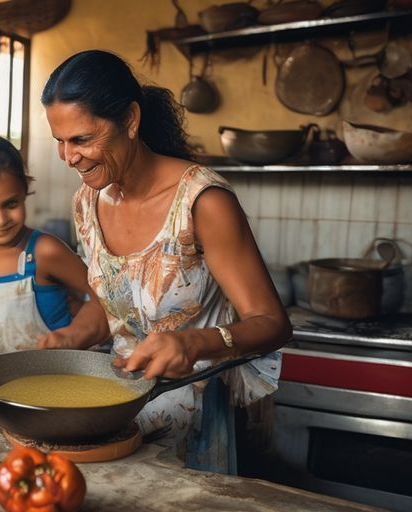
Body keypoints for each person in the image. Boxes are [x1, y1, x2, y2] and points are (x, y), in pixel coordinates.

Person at [41, 50, 291, 473]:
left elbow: (272, 323)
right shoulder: (86, 203)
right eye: (59, 142)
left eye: (82, 139)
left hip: (191, 418)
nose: (69, 157)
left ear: (131, 120)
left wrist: (193, 343)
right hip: (116, 409)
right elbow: (115, 305)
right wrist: (71, 336)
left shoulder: (201, 202)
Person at [0, 135, 108, 360]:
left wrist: (73, 335)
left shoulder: (44, 253)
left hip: (45, 384)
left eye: (11, 204)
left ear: (25, 189)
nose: (0, 220)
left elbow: (106, 302)